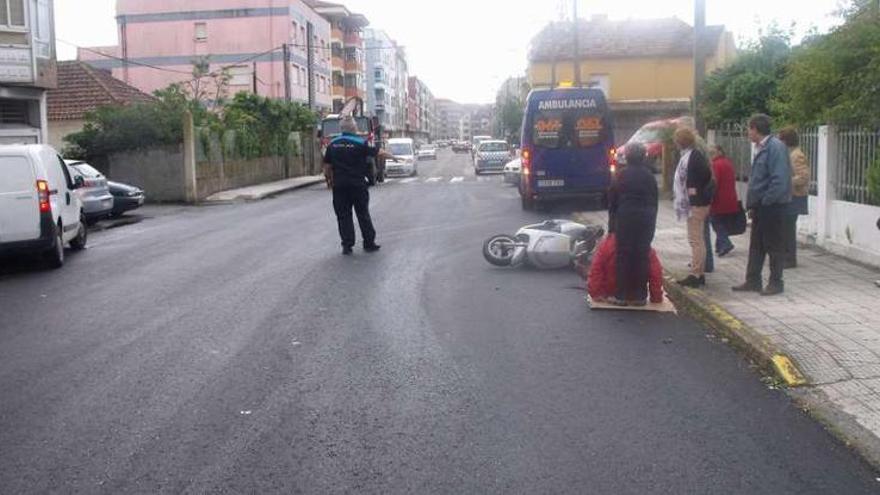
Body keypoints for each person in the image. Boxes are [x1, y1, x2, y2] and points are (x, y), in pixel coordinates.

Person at [732, 114, 792, 296]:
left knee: (774, 245)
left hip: (772, 206)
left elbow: (779, 180)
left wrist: (765, 201)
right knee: (756, 245)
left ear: (756, 129)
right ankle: (753, 280)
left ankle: (776, 282)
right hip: (760, 206)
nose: (747, 133)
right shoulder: (761, 147)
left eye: (749, 129)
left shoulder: (775, 148)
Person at [323, 116, 398, 255]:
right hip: (357, 184)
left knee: (343, 216)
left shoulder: (332, 144)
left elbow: (327, 166)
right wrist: (394, 157)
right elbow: (379, 152)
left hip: (340, 186)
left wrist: (329, 180)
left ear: (342, 129)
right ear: (354, 128)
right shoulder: (360, 142)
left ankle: (347, 245)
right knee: (363, 213)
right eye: (356, 125)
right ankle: (369, 243)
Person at [606, 142, 660, 305]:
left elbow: (612, 203)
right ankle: (640, 295)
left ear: (627, 157)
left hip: (626, 218)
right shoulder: (650, 176)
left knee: (623, 255)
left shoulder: (620, 175)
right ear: (644, 157)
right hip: (646, 218)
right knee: (642, 255)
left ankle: (621, 294)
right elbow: (655, 200)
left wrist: (611, 227)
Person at [673, 127, 714, 288]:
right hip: (696, 202)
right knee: (697, 239)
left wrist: (692, 196)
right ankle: (699, 272)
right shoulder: (693, 155)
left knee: (696, 240)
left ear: (680, 142)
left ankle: (696, 274)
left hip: (696, 204)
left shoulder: (693, 157)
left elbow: (697, 179)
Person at [588, 232, 664, 305]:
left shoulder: (607, 243)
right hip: (635, 295)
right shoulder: (644, 246)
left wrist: (595, 293)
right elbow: (655, 273)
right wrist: (656, 297)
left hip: (611, 293)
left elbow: (596, 269)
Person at [778, 127, 810, 268]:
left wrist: (785, 182)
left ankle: (790, 258)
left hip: (795, 196)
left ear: (786, 140)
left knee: (788, 228)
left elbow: (803, 177)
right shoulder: (789, 154)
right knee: (785, 227)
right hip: (789, 196)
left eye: (781, 139)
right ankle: (786, 256)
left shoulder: (797, 155)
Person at [708, 144, 739, 257]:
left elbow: (714, 183)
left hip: (719, 199)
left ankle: (726, 243)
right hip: (730, 197)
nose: (711, 155)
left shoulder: (716, 165)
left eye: (712, 152)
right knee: (721, 222)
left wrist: (709, 196)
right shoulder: (728, 162)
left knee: (716, 222)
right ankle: (719, 246)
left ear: (719, 152)